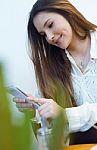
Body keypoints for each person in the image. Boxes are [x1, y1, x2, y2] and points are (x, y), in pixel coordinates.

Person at [14, 0, 97, 145]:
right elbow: (51, 135)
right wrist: (36, 110)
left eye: (50, 25)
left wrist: (65, 115)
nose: (49, 37)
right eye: (43, 34)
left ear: (66, 12)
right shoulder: (54, 66)